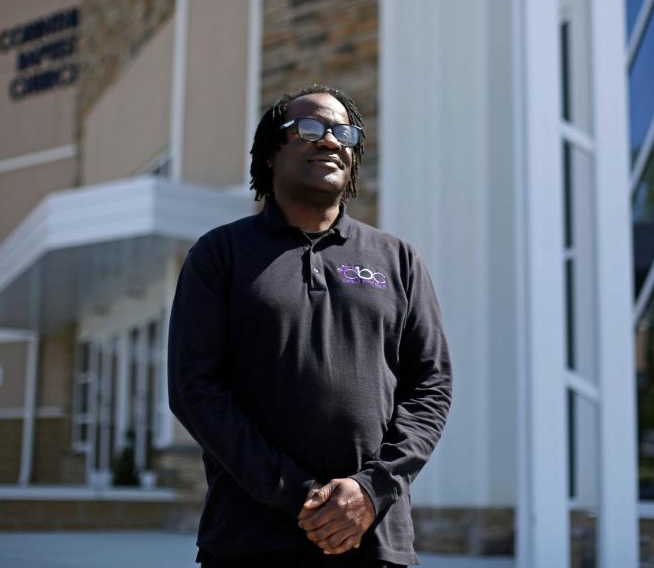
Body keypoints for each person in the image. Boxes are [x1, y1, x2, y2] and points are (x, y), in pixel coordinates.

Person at [168, 85, 453, 568]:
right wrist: (303, 496)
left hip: (375, 538)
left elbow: (431, 387)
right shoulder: (220, 255)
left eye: (344, 132)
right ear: (271, 152)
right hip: (251, 540)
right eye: (311, 128)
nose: (330, 141)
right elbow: (194, 389)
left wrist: (369, 491)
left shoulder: (398, 259)